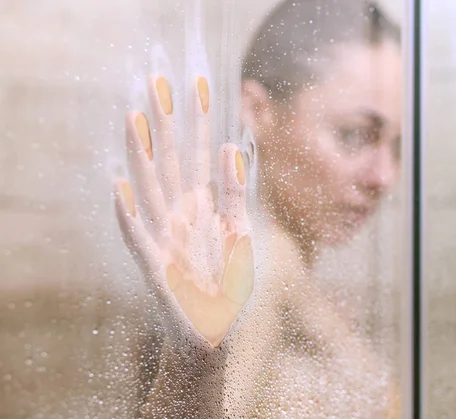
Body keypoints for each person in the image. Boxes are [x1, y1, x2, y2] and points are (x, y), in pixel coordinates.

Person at [115, 0, 402, 417]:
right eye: (355, 135)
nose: (384, 177)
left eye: (396, 145)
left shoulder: (286, 278)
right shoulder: (263, 272)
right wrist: (195, 368)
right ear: (258, 111)